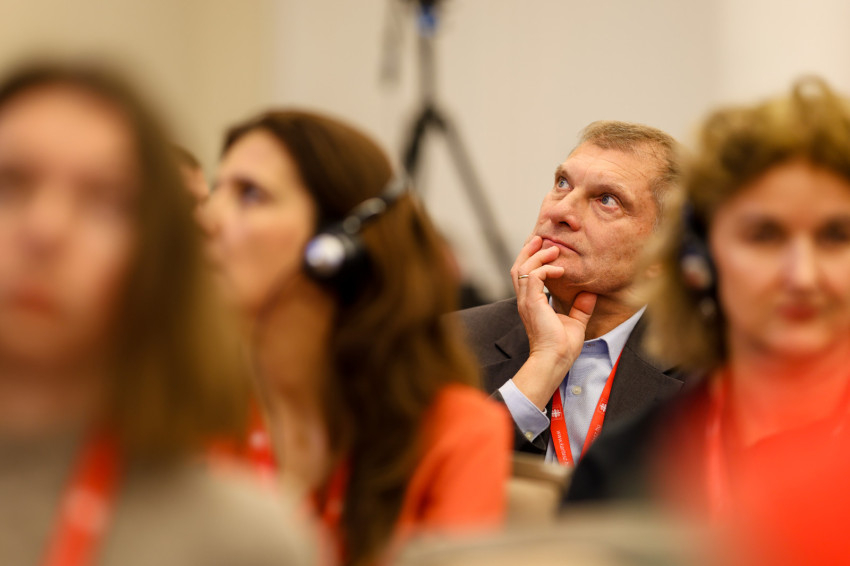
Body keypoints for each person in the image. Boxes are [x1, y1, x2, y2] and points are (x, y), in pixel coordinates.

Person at [0, 62, 311, 566]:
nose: (45, 228)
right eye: (9, 184)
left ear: (159, 260)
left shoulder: (238, 542)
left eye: (103, 201)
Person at [201, 110, 511, 566]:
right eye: (216, 191)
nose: (207, 218)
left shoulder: (455, 434)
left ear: (336, 247)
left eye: (250, 194)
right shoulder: (187, 412)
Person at [564, 77, 850, 565]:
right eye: (765, 235)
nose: (802, 276)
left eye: (836, 235)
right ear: (698, 259)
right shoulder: (624, 469)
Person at [458, 121, 684, 465]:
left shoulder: (710, 371)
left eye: (606, 200)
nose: (560, 211)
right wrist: (542, 366)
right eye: (563, 184)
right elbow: (429, 485)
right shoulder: (452, 343)